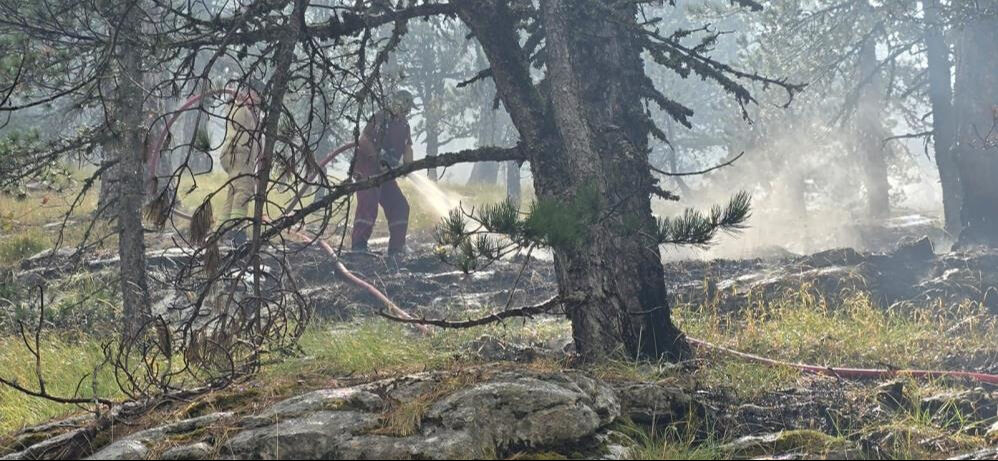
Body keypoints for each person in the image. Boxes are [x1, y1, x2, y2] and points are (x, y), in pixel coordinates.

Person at [350, 90, 415, 255]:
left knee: (399, 205)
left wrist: (408, 167)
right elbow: (364, 139)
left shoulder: (404, 126)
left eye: (409, 109)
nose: (407, 112)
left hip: (385, 172)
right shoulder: (380, 118)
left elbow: (408, 148)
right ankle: (358, 246)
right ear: (398, 104)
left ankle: (396, 248)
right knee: (369, 201)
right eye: (406, 107)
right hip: (367, 168)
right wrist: (378, 157)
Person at [219, 80, 263, 245]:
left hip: (237, 157)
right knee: (243, 191)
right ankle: (238, 233)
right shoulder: (241, 110)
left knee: (233, 192)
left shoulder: (242, 110)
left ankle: (222, 231)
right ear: (249, 93)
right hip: (240, 156)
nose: (259, 101)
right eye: (257, 95)